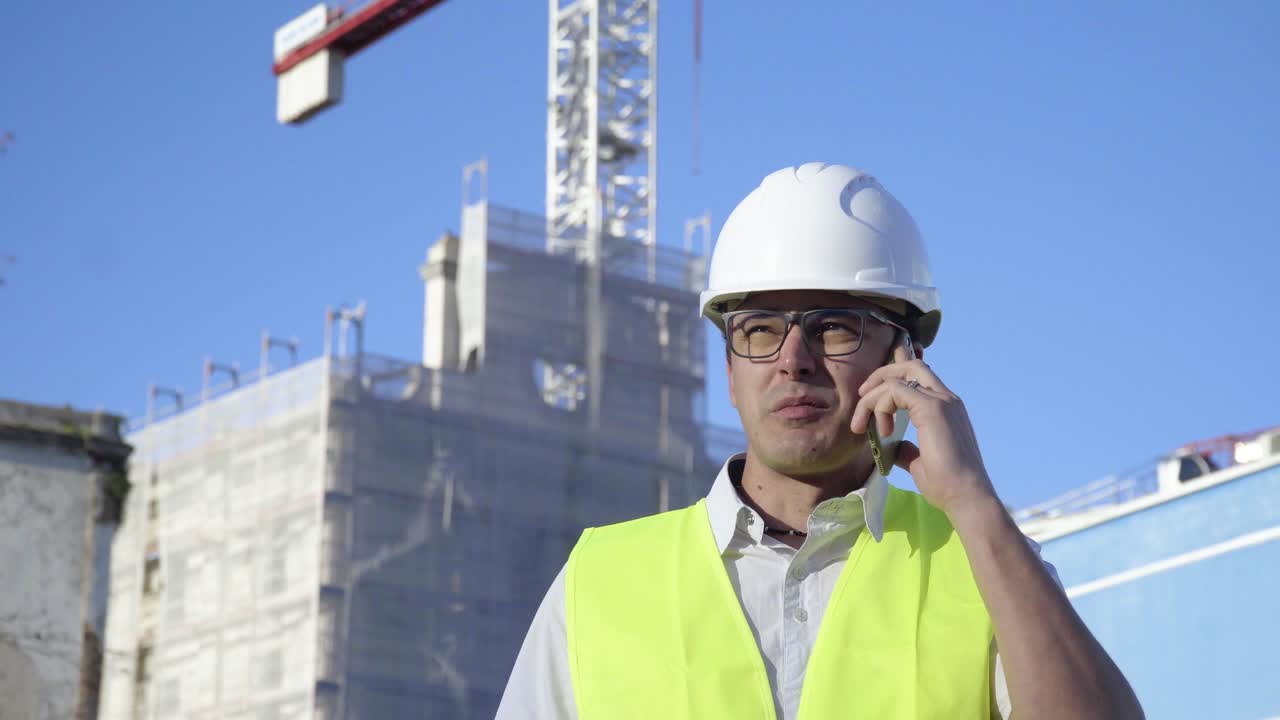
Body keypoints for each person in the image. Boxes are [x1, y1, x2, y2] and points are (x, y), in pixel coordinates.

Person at [496, 163, 1143, 719]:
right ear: (729, 370)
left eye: (834, 328)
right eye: (758, 330)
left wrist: (973, 504)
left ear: (905, 359)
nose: (793, 360)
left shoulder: (985, 562)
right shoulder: (599, 583)